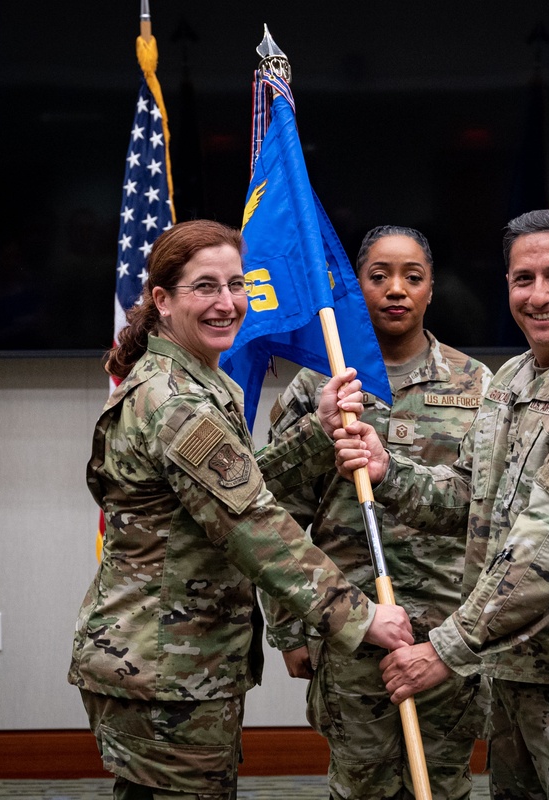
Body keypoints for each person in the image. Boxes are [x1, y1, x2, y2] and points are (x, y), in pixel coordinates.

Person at [334, 210, 549, 800]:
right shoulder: (513, 381)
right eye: (523, 279)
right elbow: (469, 500)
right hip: (513, 675)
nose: (538, 295)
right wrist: (386, 470)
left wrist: (446, 649)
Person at [68, 219, 413, 800]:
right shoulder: (178, 403)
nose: (227, 303)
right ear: (162, 299)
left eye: (237, 285)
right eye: (205, 287)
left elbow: (230, 488)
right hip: (166, 668)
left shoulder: (193, 380)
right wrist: (359, 616)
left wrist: (318, 432)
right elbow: (255, 526)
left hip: (175, 663)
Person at [257, 226, 492, 799]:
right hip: (351, 630)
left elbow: (488, 511)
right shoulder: (323, 387)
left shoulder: (477, 384)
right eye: (379, 275)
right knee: (360, 785)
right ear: (355, 286)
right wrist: (289, 631)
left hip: (444, 636)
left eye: (413, 277)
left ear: (431, 289)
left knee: (442, 784)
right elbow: (275, 514)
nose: (396, 289)